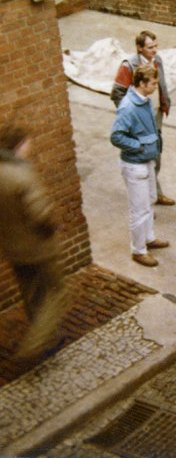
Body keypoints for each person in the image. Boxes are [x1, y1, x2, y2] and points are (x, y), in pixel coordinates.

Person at [0, 125, 67, 360]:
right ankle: (37, 344)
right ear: (19, 146)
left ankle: (48, 338)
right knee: (55, 291)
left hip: (13, 249)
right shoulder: (22, 175)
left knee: (31, 295)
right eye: (28, 142)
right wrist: (54, 224)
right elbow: (40, 213)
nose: (32, 146)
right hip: (38, 248)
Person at [110, 65, 170, 267]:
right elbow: (116, 136)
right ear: (142, 84)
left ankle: (149, 237)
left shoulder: (144, 100)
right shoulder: (128, 107)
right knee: (139, 210)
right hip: (135, 165)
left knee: (150, 200)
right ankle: (138, 250)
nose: (156, 86)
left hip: (147, 161)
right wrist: (139, 146)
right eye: (153, 83)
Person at [111, 30, 175, 205]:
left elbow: (161, 85)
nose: (154, 50)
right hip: (140, 120)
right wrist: (133, 115)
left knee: (156, 154)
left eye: (156, 46)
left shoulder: (157, 61)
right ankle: (145, 200)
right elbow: (117, 93)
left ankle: (154, 194)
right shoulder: (128, 65)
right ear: (139, 48)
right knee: (142, 159)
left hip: (155, 116)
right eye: (150, 47)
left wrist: (164, 104)